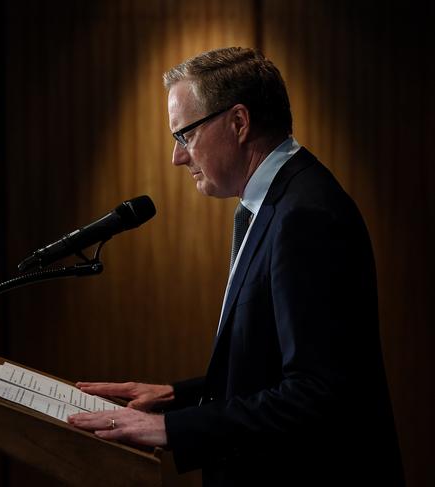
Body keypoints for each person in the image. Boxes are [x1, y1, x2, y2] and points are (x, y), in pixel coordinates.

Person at [68, 47, 404, 486]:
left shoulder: (306, 214)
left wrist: (172, 429)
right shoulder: (273, 202)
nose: (178, 157)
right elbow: (272, 365)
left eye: (184, 135)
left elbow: (316, 393)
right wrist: (177, 398)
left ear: (239, 123)